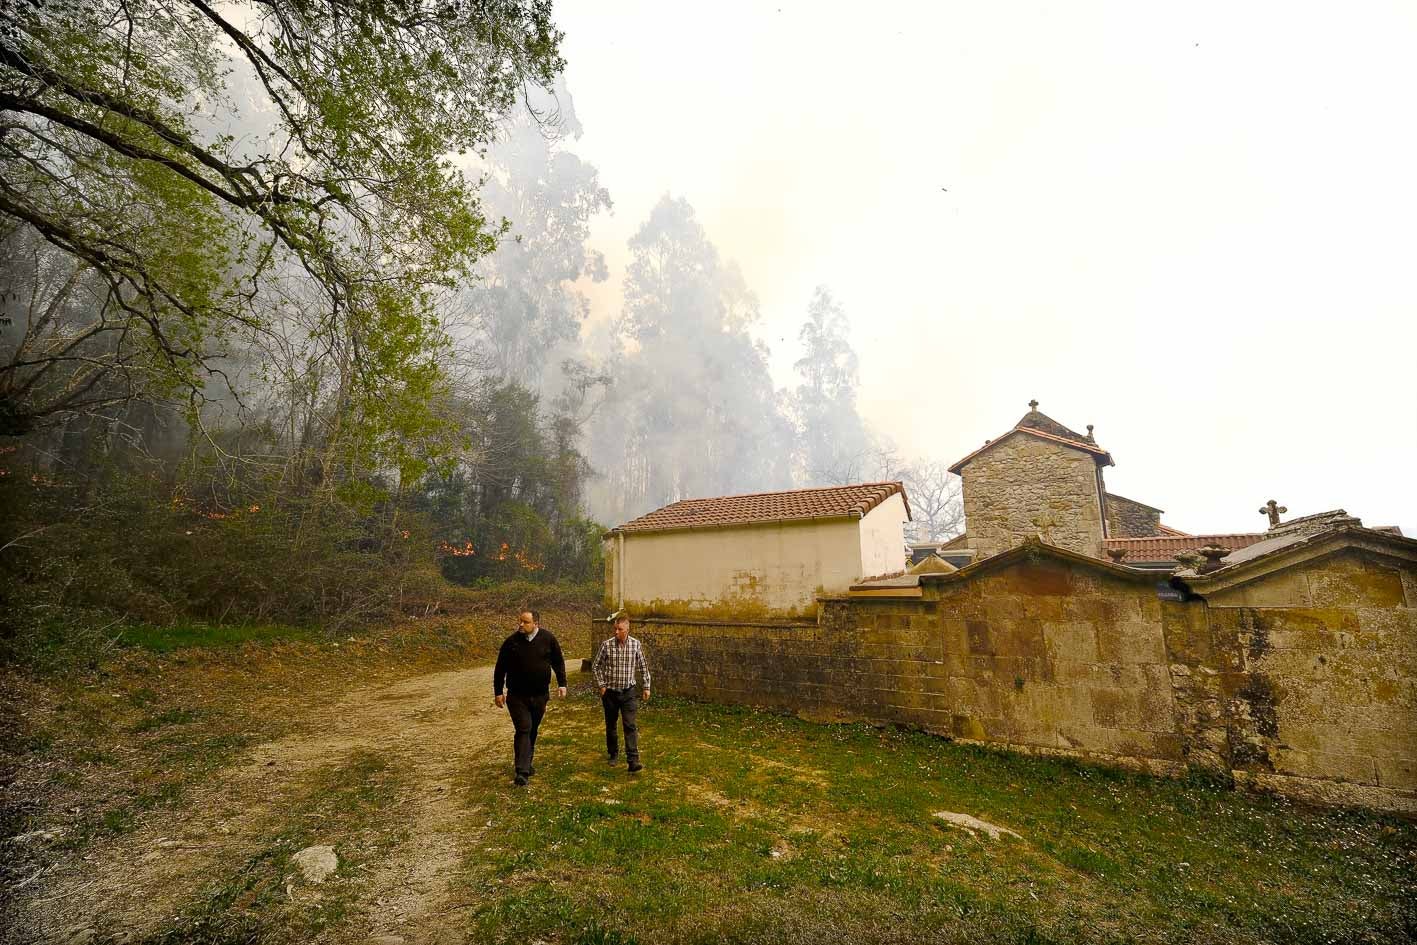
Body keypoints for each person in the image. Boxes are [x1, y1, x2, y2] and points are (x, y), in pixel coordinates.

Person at [493, 609, 567, 786]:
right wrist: (498, 692)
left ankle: (527, 761)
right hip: (517, 696)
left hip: (540, 695)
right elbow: (500, 668)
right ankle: (522, 771)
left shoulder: (548, 639)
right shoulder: (511, 643)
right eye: (520, 621)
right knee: (524, 728)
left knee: (532, 729)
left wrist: (562, 684)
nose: (521, 624)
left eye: (525, 622)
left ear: (536, 624)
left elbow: (558, 662)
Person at [592, 612, 651, 773]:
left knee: (630, 725)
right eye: (615, 629)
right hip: (610, 693)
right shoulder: (607, 645)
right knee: (611, 725)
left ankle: (633, 760)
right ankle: (613, 753)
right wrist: (602, 685)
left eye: (619, 629)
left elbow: (643, 667)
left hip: (628, 693)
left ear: (627, 629)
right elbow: (596, 666)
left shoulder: (635, 645)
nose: (616, 632)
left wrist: (646, 687)